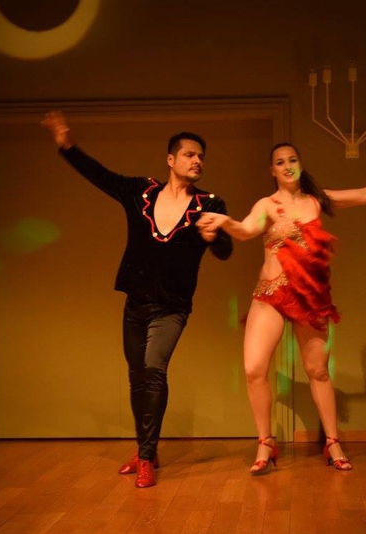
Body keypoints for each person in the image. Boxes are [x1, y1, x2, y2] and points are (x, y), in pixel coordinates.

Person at [197, 142, 366, 474]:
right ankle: (265, 443)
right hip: (271, 294)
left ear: (300, 165)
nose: (287, 166)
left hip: (309, 297)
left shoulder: (317, 200)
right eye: (280, 162)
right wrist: (224, 221)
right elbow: (245, 231)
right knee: (254, 368)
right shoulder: (267, 205)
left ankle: (332, 442)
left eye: (292, 160)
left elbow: (365, 194)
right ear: (272, 170)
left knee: (317, 371)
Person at [42, 111, 232, 488]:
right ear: (171, 159)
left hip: (172, 307)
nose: (197, 161)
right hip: (136, 303)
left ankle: (145, 458)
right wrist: (66, 145)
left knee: (153, 370)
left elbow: (225, 252)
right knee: (137, 377)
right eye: (190, 154)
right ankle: (148, 448)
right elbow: (101, 176)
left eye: (201, 156)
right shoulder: (141, 192)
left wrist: (215, 237)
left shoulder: (210, 204)